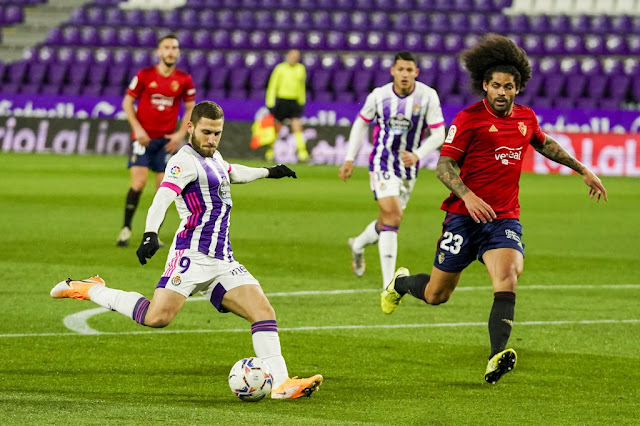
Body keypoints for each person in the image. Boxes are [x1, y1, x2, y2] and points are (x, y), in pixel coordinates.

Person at [52, 101, 323, 399]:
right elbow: (162, 198)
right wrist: (150, 234)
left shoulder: (214, 157)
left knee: (263, 311)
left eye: (217, 133)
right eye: (206, 132)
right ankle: (90, 289)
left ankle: (282, 384)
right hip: (191, 256)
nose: (212, 139)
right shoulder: (183, 162)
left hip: (222, 259)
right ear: (191, 128)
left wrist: (269, 171)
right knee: (157, 317)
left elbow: (233, 172)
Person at [380, 34, 608, 384]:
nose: (502, 92)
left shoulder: (525, 119)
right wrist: (468, 196)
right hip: (462, 218)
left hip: (502, 218)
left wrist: (584, 169)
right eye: (496, 85)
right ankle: (401, 283)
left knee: (508, 277)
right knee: (436, 295)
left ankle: (496, 355)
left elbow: (546, 144)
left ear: (518, 89)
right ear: (485, 85)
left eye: (509, 87)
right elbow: (444, 167)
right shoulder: (469, 119)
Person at [338, 51, 446, 288]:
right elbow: (360, 124)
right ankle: (389, 286)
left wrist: (418, 154)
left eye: (409, 70)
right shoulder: (379, 96)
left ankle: (357, 244)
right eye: (401, 69)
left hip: (409, 167)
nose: (405, 74)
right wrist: (349, 158)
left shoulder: (428, 96)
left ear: (416, 72)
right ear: (393, 71)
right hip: (382, 161)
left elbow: (439, 133)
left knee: (387, 220)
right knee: (394, 216)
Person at [117, 33, 196, 247]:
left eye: (174, 47)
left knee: (164, 188)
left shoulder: (183, 79)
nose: (171, 51)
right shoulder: (144, 75)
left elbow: (190, 108)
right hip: (143, 139)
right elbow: (127, 102)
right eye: (167, 47)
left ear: (178, 52)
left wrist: (180, 135)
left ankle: (152, 235)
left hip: (166, 140)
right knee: (138, 183)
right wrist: (137, 129)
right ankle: (126, 229)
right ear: (159, 51)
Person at [265, 49, 309, 162]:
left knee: (297, 125)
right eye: (292, 56)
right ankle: (270, 150)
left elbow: (301, 86)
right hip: (282, 100)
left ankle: (302, 152)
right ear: (288, 56)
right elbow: (273, 85)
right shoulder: (280, 68)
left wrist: (302, 101)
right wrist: (270, 102)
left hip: (294, 101)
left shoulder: (301, 69)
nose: (294, 58)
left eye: (296, 56)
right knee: (277, 127)